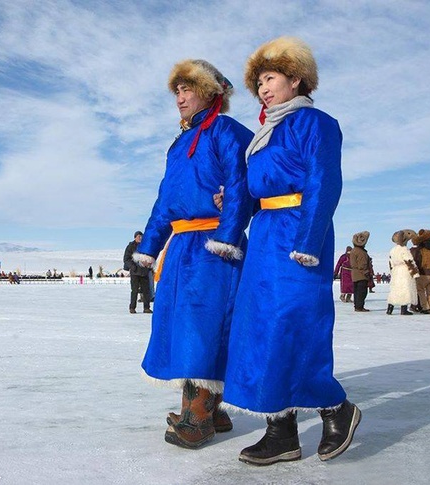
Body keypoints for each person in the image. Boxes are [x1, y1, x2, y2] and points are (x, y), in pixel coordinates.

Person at [222, 37, 361, 466]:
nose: (263, 88)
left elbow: (325, 183)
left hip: (299, 230)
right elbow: (252, 193)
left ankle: (336, 408)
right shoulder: (265, 134)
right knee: (261, 326)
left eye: (270, 78)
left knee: (296, 321)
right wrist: (227, 209)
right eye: (259, 82)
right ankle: (280, 431)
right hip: (264, 235)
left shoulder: (314, 124)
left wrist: (308, 242)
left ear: (295, 79)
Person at [132, 59, 253, 449]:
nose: (180, 97)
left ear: (210, 91)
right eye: (177, 91)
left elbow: (242, 185)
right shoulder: (178, 144)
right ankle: (210, 409)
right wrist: (149, 246)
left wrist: (227, 236)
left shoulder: (229, 132)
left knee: (205, 326)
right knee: (179, 326)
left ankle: (197, 416)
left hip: (214, 246)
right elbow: (165, 201)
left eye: (187, 89)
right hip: (181, 247)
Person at [386, 230, 419, 315]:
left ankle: (389, 309)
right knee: (405, 288)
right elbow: (409, 261)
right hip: (404, 271)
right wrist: (415, 273)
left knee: (395, 290)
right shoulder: (404, 249)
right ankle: (403, 310)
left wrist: (392, 272)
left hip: (396, 271)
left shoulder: (392, 250)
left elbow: (391, 263)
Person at [411, 229, 430, 314]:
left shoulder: (420, 249)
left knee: (420, 291)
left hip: (423, 273)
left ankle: (425, 307)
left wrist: (415, 272)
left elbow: (416, 261)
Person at [123, 231, 151, 314]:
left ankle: (146, 308)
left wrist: (149, 266)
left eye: (141, 236)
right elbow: (126, 259)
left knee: (146, 291)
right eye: (139, 236)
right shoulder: (131, 246)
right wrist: (132, 267)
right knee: (134, 291)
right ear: (135, 237)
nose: (140, 238)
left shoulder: (145, 246)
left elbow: (150, 257)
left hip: (144, 272)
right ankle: (132, 308)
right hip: (135, 272)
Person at [350, 231, 371, 312]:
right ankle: (359, 306)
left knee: (356, 291)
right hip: (361, 274)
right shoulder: (361, 252)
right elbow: (362, 265)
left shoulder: (353, 250)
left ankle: (357, 306)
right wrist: (366, 272)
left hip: (355, 274)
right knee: (362, 292)